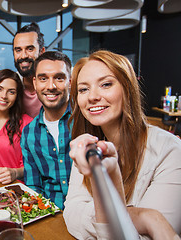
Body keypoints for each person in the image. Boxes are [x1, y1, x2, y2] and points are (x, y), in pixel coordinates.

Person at [63, 50, 181, 239]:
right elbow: (71, 214)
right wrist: (143, 216)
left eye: (106, 84)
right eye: (83, 89)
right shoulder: (89, 145)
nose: (92, 96)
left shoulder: (171, 151)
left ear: (127, 88)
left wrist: (109, 217)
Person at [20, 51, 73, 209]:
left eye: (59, 78)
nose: (51, 86)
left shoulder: (88, 122)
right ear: (35, 83)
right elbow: (33, 187)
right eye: (44, 79)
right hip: (51, 214)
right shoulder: (29, 132)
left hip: (90, 217)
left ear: (70, 82)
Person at [13, 22, 45, 118]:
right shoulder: (12, 84)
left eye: (30, 49)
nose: (23, 56)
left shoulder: (54, 85)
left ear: (41, 52)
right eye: (18, 50)